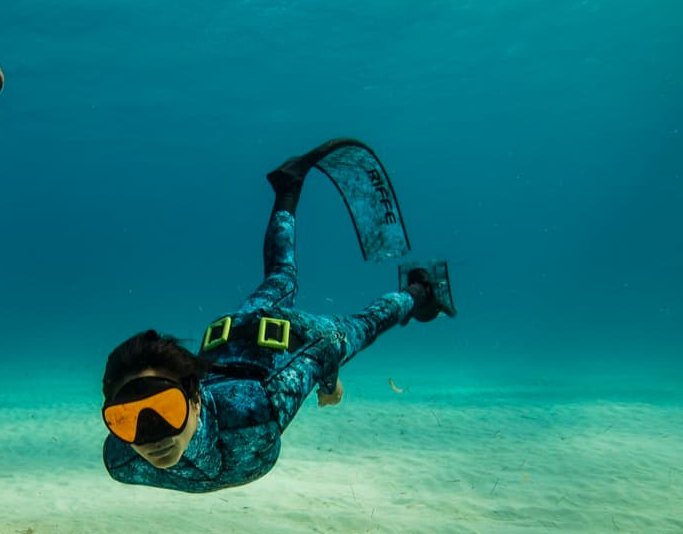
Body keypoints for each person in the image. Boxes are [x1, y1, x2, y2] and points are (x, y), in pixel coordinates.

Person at [101, 138, 455, 493]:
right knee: (281, 275)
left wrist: (329, 383)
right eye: (126, 419)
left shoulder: (257, 414)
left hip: (289, 338)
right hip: (228, 337)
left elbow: (325, 346)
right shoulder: (122, 459)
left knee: (362, 327)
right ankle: (288, 187)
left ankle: (420, 291)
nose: (150, 436)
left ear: (193, 399)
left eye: (165, 408)